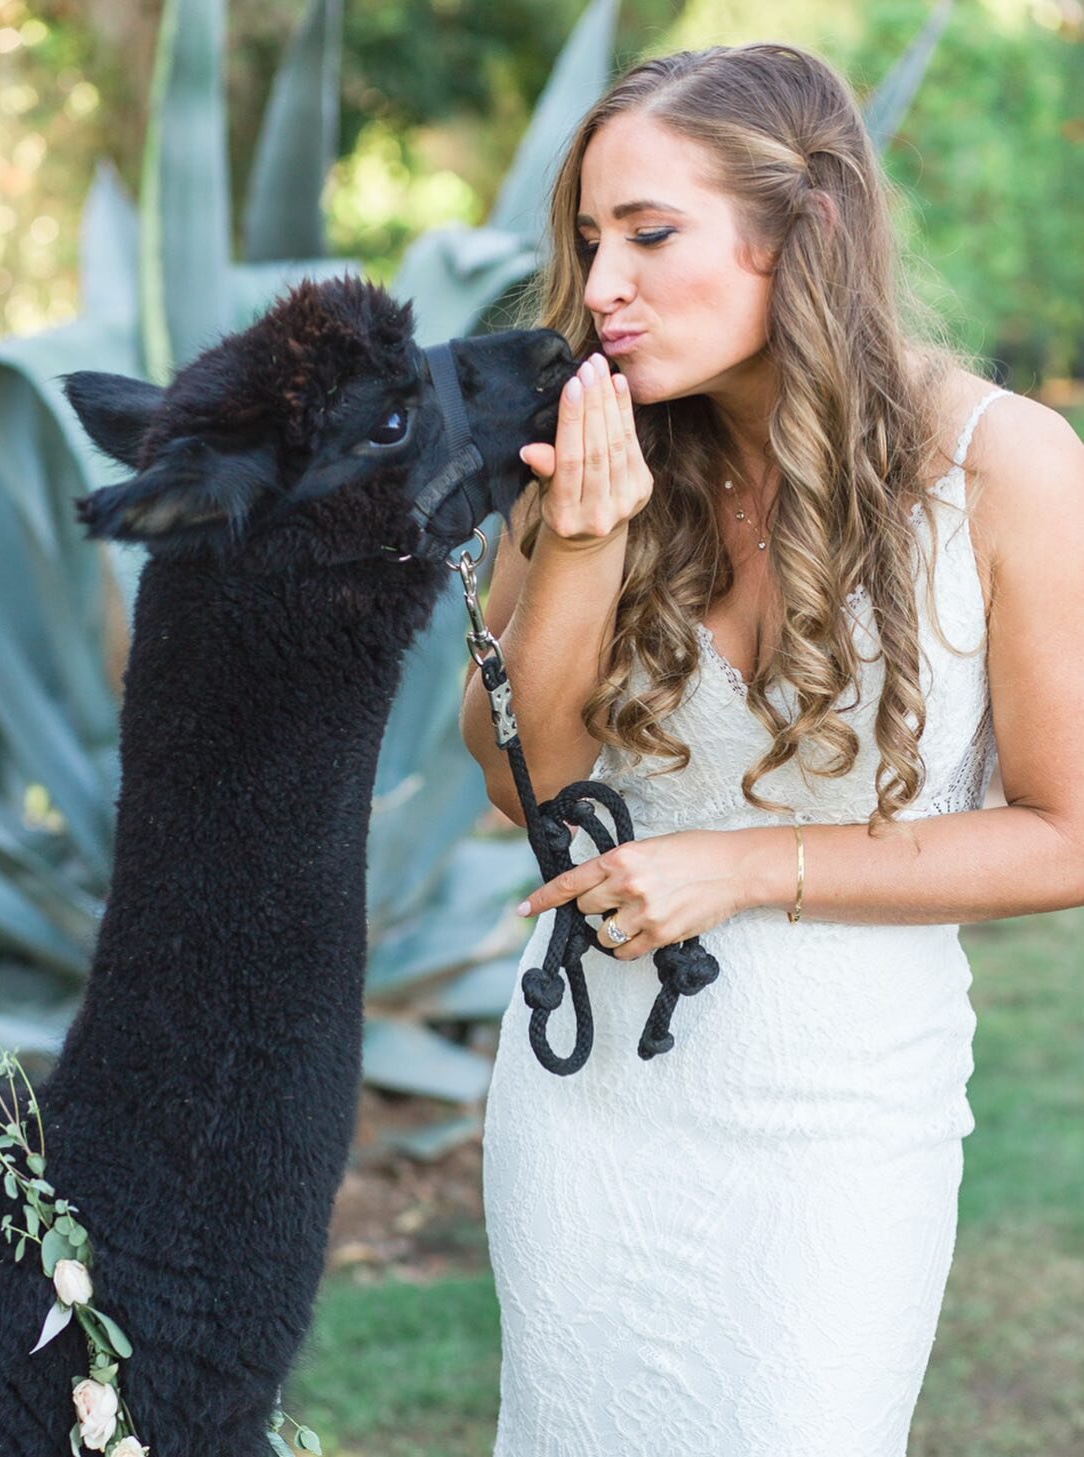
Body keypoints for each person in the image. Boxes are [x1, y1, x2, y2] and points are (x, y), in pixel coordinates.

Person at [458, 41, 1084, 1457]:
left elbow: (1067, 831)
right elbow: (523, 786)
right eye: (586, 238)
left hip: (837, 1121)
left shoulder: (1006, 464)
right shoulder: (591, 445)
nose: (600, 281)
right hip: (585, 1103)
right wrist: (581, 546)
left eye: (649, 233)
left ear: (796, 228)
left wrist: (735, 865)